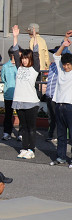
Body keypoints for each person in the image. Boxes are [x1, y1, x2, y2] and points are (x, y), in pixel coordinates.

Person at [9, 25, 41, 159]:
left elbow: (36, 53)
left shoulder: (34, 69)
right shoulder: (20, 68)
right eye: (23, 58)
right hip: (19, 101)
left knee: (31, 128)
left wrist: (34, 37)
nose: (23, 60)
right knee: (23, 127)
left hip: (31, 102)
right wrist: (15, 37)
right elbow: (16, 53)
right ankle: (24, 148)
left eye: (26, 58)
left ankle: (31, 149)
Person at [49, 32, 72, 166]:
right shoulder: (60, 70)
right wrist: (64, 43)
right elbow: (56, 56)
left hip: (70, 106)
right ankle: (61, 157)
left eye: (68, 64)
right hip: (59, 105)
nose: (66, 66)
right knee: (61, 134)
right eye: (65, 64)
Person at [0, 47, 18, 141]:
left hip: (17, 94)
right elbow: (3, 79)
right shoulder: (6, 66)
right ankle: (7, 132)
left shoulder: (20, 66)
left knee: (18, 115)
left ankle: (16, 133)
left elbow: (3, 79)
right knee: (8, 115)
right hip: (10, 94)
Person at [44, 50, 59, 142]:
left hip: (56, 95)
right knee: (51, 116)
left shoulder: (61, 66)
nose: (54, 55)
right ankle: (51, 134)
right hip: (49, 95)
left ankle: (55, 135)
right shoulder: (52, 65)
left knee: (56, 116)